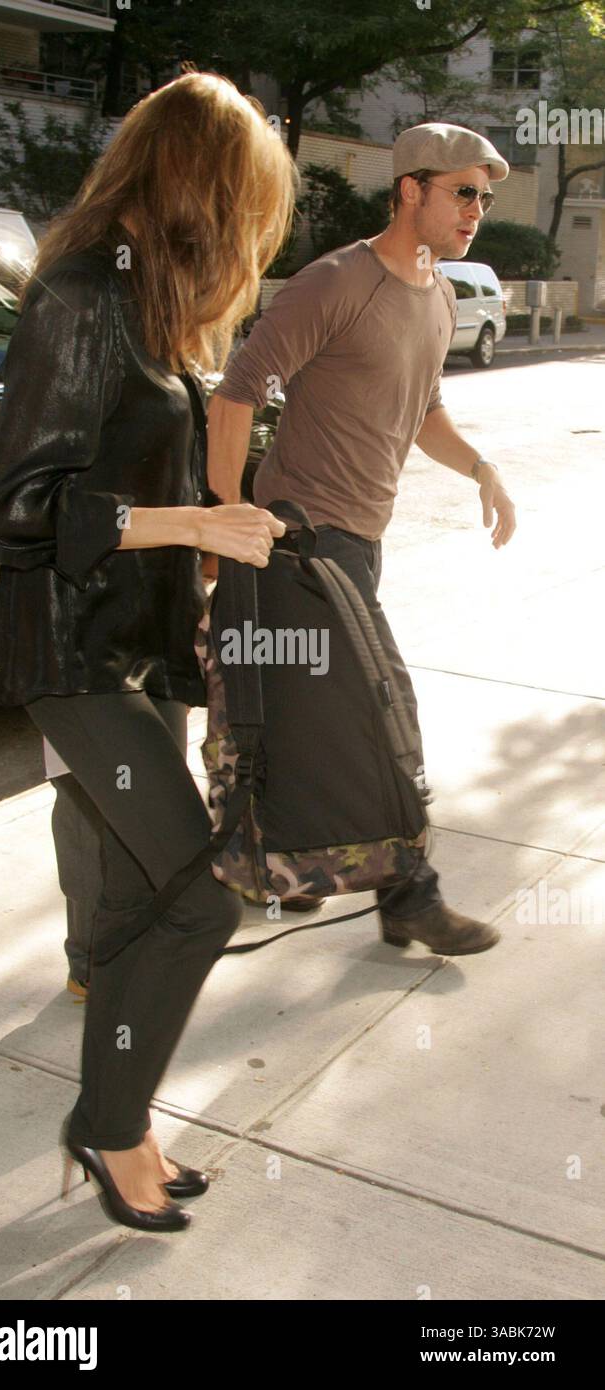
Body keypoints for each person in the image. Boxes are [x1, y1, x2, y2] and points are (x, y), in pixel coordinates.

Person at [0, 71, 293, 1232]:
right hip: (75, 655)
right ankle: (112, 1125)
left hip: (143, 651)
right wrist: (191, 524)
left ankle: (120, 1123)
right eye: (248, 201)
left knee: (123, 913)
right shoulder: (75, 295)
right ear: (197, 185)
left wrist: (207, 571)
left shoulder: (142, 307)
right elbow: (18, 508)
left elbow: (133, 475)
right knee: (203, 895)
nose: (253, 233)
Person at [207, 122, 517, 956]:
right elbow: (237, 395)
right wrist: (226, 515)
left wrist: (481, 467)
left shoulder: (439, 292)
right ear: (409, 189)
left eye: (483, 198)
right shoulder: (335, 282)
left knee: (300, 721)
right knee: (386, 715)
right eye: (461, 192)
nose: (475, 211)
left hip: (360, 543)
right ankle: (409, 897)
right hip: (303, 542)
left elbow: (422, 411)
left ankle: (285, 873)